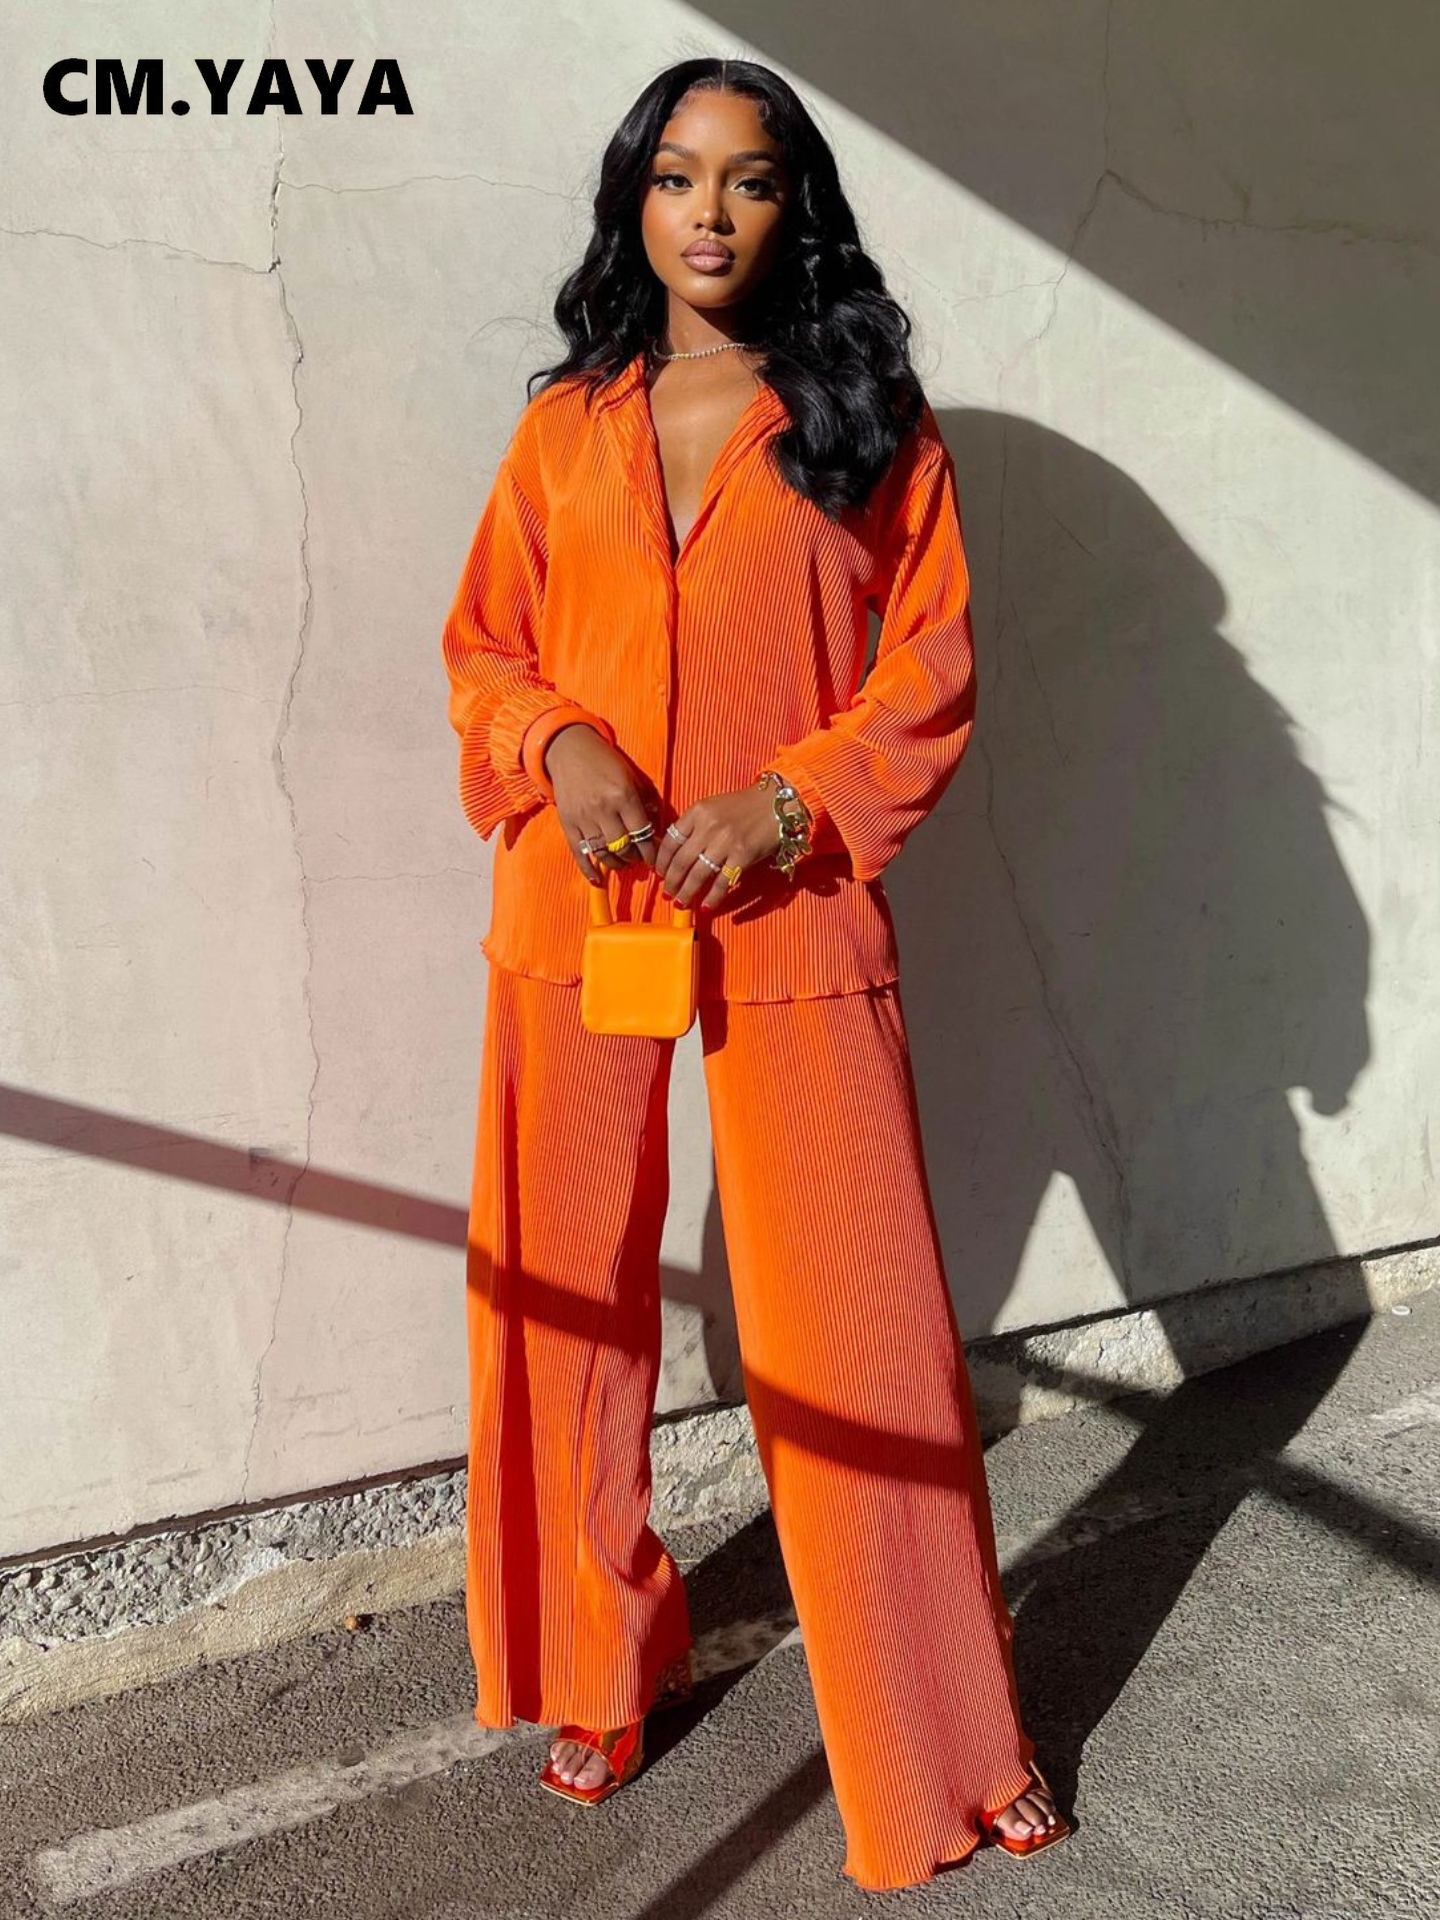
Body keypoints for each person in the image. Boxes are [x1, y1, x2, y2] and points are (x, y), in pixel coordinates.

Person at [439, 55, 1070, 1894]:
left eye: (750, 177)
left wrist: (791, 801)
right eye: (676, 174)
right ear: (633, 201)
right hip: (577, 908)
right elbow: (483, 648)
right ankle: (597, 1663)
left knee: (856, 1329)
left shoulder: (864, 417)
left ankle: (949, 1736)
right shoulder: (564, 428)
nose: (708, 210)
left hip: (788, 905)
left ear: (799, 209)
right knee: (562, 1308)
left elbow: (929, 671)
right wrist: (557, 741)